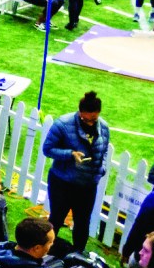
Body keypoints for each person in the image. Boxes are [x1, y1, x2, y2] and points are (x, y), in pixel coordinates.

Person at [40, 91, 110, 253]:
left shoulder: (104, 128)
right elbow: (48, 149)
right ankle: (45, 252)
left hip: (87, 185)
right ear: (80, 113)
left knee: (83, 222)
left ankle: (78, 255)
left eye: (94, 119)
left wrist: (101, 168)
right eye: (86, 119)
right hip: (62, 182)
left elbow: (105, 151)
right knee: (56, 219)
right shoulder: (63, 124)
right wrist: (70, 155)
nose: (90, 123)